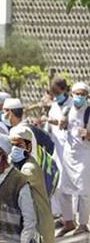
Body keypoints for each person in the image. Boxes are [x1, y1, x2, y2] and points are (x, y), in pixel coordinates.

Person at [55, 82, 90, 236]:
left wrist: (88, 135)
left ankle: (83, 224)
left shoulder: (88, 112)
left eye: (82, 94)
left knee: (84, 192)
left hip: (84, 155)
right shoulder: (67, 109)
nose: (79, 96)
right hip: (68, 156)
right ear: (72, 94)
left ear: (87, 96)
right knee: (62, 190)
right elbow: (62, 127)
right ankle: (69, 222)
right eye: (77, 93)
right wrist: (62, 124)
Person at [45, 78, 73, 223]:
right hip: (57, 149)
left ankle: (73, 217)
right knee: (58, 183)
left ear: (64, 89)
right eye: (53, 93)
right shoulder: (55, 106)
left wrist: (51, 121)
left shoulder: (72, 105)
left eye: (57, 92)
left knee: (71, 183)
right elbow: (50, 127)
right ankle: (64, 216)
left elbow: (65, 124)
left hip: (72, 149)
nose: (56, 95)